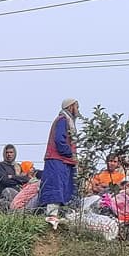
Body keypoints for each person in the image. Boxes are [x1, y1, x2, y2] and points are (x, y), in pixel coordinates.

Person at [39, 98, 80, 229]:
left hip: (64, 160)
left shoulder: (68, 121)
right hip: (57, 159)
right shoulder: (62, 120)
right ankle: (52, 215)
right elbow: (59, 140)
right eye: (76, 107)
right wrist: (69, 152)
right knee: (56, 187)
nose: (78, 110)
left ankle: (61, 216)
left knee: (65, 188)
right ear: (70, 107)